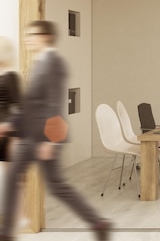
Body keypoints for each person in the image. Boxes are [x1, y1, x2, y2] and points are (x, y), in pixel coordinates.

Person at [0, 21, 111, 241]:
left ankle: (98, 223)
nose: (27, 39)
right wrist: (10, 124)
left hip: (43, 139)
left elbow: (55, 104)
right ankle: (7, 232)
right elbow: (30, 105)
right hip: (29, 137)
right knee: (13, 178)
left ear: (45, 36)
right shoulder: (40, 62)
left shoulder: (54, 62)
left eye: (31, 35)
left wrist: (52, 141)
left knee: (57, 186)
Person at [0, 37, 21, 161]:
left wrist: (8, 127)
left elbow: (20, 106)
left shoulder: (10, 76)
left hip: (4, 132)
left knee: (10, 175)